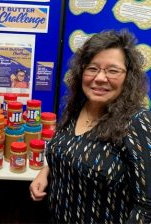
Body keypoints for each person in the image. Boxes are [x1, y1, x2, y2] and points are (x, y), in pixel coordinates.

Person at [30, 30, 151, 223]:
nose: (100, 78)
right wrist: (47, 171)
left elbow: (146, 207)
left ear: (129, 77)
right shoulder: (76, 106)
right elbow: (69, 152)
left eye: (112, 70)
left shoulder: (137, 122)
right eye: (92, 68)